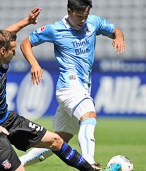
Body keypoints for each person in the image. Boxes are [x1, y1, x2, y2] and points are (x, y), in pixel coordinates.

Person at [0, 7, 121, 171]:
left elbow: (4, 33)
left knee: (56, 140)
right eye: (12, 50)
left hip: (8, 119)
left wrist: (27, 22)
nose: (15, 53)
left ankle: (91, 169)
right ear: (2, 50)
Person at [19, 0, 125, 168]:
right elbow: (25, 43)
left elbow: (116, 31)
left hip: (82, 87)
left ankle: (16, 164)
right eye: (79, 16)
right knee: (89, 115)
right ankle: (89, 163)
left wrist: (119, 37)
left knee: (58, 140)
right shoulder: (55, 29)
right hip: (69, 86)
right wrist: (34, 64)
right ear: (69, 10)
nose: (83, 20)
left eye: (86, 15)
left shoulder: (93, 22)